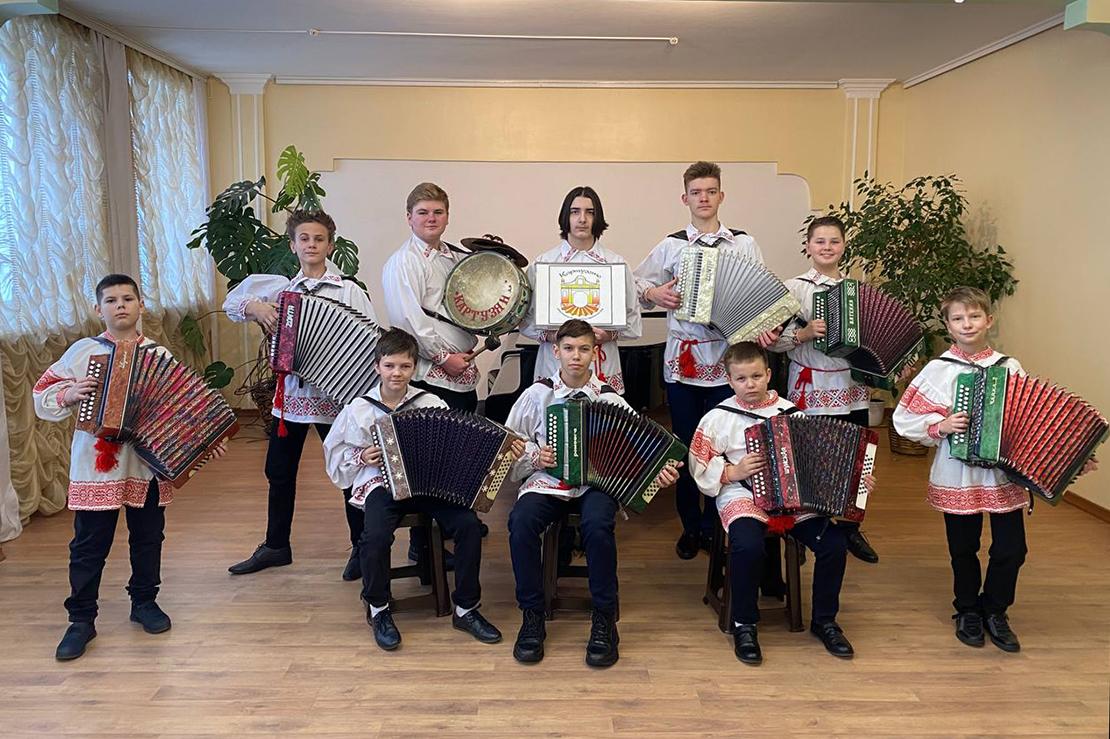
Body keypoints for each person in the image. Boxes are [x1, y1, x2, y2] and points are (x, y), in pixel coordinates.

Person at [893, 286, 1098, 652]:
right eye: (958, 318)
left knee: (1012, 549)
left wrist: (1073, 459)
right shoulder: (938, 370)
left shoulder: (1009, 367)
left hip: (1002, 474)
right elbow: (904, 418)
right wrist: (941, 426)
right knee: (963, 547)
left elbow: (1035, 422)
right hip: (958, 474)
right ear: (948, 325)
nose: (967, 324)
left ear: (988, 320)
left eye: (974, 316)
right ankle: (967, 610)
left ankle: (995, 610)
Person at [33, 274, 226, 660]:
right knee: (89, 543)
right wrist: (69, 393)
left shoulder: (158, 354)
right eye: (111, 300)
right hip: (97, 463)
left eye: (127, 298)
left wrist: (204, 439)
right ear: (98, 309)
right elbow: (42, 393)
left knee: (148, 536)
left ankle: (144, 602)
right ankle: (81, 619)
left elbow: (181, 406)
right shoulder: (82, 352)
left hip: (146, 463)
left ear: (141, 305)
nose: (120, 305)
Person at [323, 328, 518, 650]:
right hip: (383, 485)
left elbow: (457, 445)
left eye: (404, 366)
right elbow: (335, 454)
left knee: (469, 526)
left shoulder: (430, 402)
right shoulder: (358, 409)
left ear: (414, 368)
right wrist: (362, 456)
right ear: (377, 366)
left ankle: (466, 608)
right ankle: (378, 607)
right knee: (375, 536)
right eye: (389, 366)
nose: (396, 373)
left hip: (431, 486)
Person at [504, 319, 680, 668]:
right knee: (520, 522)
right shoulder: (536, 394)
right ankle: (532, 614)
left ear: (595, 353)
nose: (576, 356)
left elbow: (641, 450)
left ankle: (604, 618)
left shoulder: (610, 398)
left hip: (596, 484)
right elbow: (509, 444)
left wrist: (659, 473)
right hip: (548, 481)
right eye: (569, 349)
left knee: (598, 525)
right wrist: (535, 457)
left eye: (584, 349)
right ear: (556, 352)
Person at [689, 342, 872, 665]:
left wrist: (855, 480)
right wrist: (732, 472)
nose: (750, 384)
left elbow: (820, 464)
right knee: (747, 545)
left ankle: (825, 621)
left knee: (833, 544)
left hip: (794, 501)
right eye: (741, 378)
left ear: (769, 374)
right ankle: (745, 623)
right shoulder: (717, 418)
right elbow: (698, 464)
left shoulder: (791, 413)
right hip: (742, 495)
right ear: (729, 380)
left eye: (756, 376)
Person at [634, 161, 780, 560]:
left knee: (726, 447)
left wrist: (766, 326)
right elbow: (637, 281)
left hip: (729, 365)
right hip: (684, 363)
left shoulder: (743, 244)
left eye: (710, 191)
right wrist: (654, 294)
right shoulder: (672, 245)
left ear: (721, 196)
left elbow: (761, 292)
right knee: (686, 447)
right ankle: (690, 527)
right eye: (696, 192)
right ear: (685, 198)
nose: (704, 198)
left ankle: (720, 525)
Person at [225, 210, 376, 580]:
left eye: (319, 239)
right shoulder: (281, 290)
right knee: (279, 471)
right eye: (304, 239)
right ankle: (276, 545)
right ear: (292, 245)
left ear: (330, 245)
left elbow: (371, 341)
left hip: (335, 397)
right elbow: (232, 303)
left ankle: (361, 547)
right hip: (292, 396)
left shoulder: (349, 291)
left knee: (349, 468)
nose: (311, 245)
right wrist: (256, 307)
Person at [768, 215, 881, 563]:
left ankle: (850, 527)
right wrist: (803, 334)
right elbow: (771, 341)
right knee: (810, 458)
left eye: (834, 241)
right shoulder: (793, 288)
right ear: (808, 246)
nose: (827, 247)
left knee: (855, 458)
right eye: (820, 241)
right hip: (811, 384)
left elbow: (875, 338)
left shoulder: (858, 291)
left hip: (851, 386)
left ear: (844, 246)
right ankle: (808, 527)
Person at [518, 186, 641, 393]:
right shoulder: (542, 264)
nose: (582, 219)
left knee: (602, 415)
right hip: (553, 366)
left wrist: (608, 335)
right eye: (575, 212)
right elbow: (524, 320)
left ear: (597, 218)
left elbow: (634, 322)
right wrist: (552, 335)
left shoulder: (616, 264)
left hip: (602, 367)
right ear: (565, 216)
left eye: (589, 212)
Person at [381, 182, 481, 413]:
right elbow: (408, 320)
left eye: (438, 212)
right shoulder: (405, 261)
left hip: (463, 369)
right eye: (423, 212)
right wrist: (443, 358)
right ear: (409, 218)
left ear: (447, 217)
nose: (431, 219)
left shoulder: (455, 257)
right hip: (430, 377)